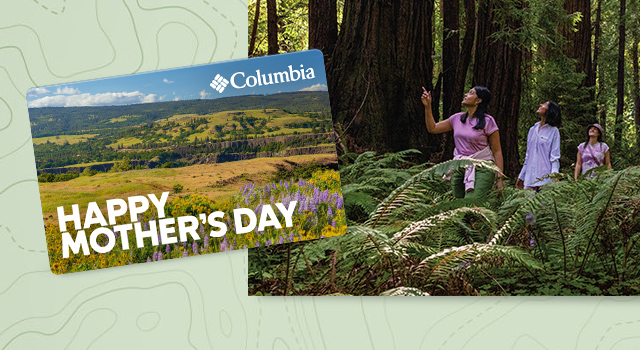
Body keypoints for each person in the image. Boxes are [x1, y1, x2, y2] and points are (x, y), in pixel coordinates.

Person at [421, 86, 504, 199]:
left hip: (482, 167)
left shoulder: (488, 121)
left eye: (470, 93)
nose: (466, 94)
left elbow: (497, 151)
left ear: (478, 100)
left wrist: (499, 178)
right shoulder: (457, 118)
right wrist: (427, 106)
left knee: (471, 203)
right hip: (459, 166)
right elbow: (433, 128)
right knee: (458, 204)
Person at [516, 101, 561, 191]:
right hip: (529, 179)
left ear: (550, 111)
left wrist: (555, 175)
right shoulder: (533, 130)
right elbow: (528, 157)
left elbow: (554, 157)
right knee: (528, 204)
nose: (541, 105)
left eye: (544, 104)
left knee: (545, 205)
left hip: (546, 180)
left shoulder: (554, 131)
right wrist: (521, 177)